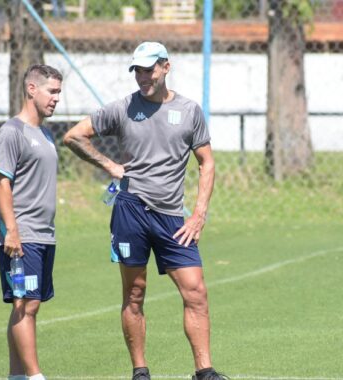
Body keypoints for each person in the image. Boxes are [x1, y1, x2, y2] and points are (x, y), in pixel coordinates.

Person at [63, 42, 226, 380]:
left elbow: (206, 163)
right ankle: (140, 371)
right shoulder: (123, 108)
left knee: (195, 290)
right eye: (137, 70)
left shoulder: (190, 110)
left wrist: (198, 214)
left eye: (148, 69)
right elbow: (74, 136)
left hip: (171, 217)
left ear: (166, 67)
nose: (142, 77)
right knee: (135, 292)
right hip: (130, 210)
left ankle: (204, 371)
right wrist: (109, 164)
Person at [0, 64, 62, 380]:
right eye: (52, 91)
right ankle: (35, 376)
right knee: (26, 303)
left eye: (59, 92)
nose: (57, 99)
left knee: (26, 305)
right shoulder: (11, 132)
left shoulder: (45, 134)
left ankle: (16, 376)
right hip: (23, 235)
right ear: (32, 89)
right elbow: (1, 183)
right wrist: (12, 231)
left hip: (44, 235)